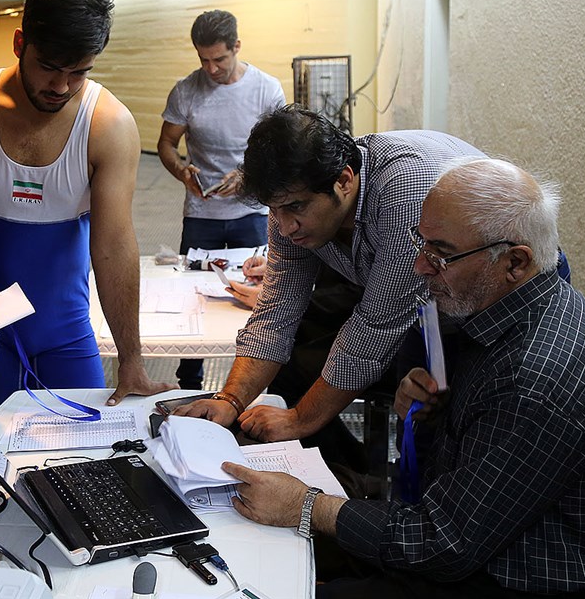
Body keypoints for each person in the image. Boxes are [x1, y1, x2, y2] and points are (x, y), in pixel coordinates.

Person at [221, 159, 585, 599]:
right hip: (481, 534)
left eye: (441, 254)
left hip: (524, 576)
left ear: (515, 262)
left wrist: (306, 506)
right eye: (421, 243)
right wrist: (437, 410)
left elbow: (445, 544)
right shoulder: (511, 310)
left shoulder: (536, 379)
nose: (420, 266)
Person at [175, 106, 484, 470]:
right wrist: (230, 400)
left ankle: (361, 494)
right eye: (275, 210)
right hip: (422, 306)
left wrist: (298, 419)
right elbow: (277, 308)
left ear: (344, 180)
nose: (285, 227)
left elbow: (374, 327)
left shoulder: (404, 192)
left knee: (440, 437)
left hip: (485, 306)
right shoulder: (293, 204)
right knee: (302, 369)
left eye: (295, 207)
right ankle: (351, 479)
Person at [0, 0, 175, 418]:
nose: (61, 86)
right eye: (49, 67)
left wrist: (131, 359)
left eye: (79, 72)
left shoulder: (108, 125)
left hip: (67, 335)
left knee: (87, 451)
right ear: (20, 44)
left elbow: (113, 245)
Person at [158, 9, 286, 390]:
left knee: (261, 292)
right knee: (191, 293)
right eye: (204, 60)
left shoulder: (266, 89)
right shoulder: (186, 91)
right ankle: (189, 381)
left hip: (253, 211)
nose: (211, 69)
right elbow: (166, 144)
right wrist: (181, 169)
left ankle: (257, 377)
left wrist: (248, 177)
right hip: (202, 212)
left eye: (219, 59)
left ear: (237, 47)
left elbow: (281, 151)